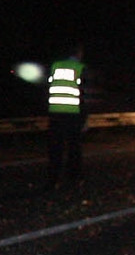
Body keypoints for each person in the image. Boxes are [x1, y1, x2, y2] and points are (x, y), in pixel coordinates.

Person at [46, 43, 87, 190]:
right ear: (78, 53)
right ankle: (74, 178)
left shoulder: (55, 66)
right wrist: (84, 118)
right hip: (73, 114)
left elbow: (48, 87)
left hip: (55, 113)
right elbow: (82, 95)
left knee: (55, 148)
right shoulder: (80, 68)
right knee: (73, 148)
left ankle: (53, 179)